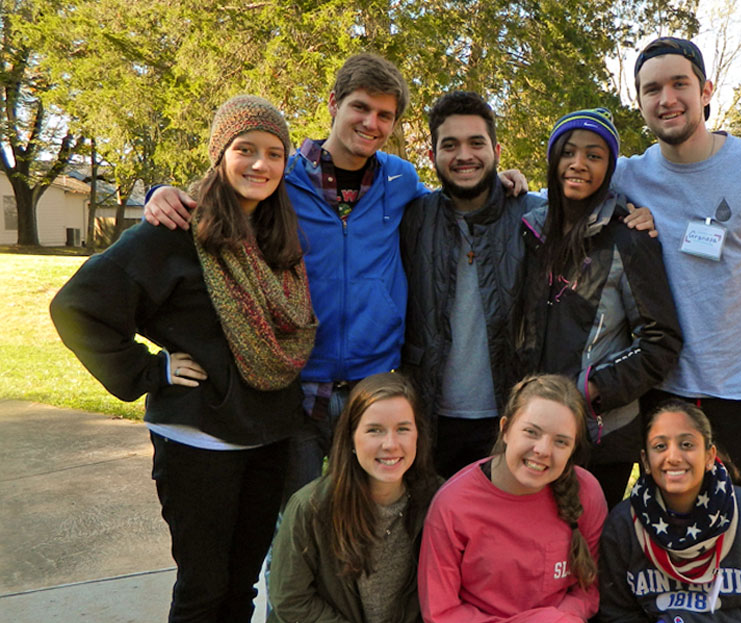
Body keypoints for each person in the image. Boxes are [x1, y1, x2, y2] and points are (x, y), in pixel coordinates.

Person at [145, 57, 529, 499]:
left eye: (385, 115)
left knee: (368, 523)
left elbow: (457, 197)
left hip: (374, 388)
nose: (372, 123)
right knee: (295, 519)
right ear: (333, 104)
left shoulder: (400, 180)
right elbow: (220, 194)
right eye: (360, 108)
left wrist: (497, 182)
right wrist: (164, 193)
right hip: (298, 386)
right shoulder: (282, 177)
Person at [50, 95, 316, 623]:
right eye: (245, 150)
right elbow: (77, 307)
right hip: (198, 442)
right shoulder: (171, 232)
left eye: (274, 153)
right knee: (203, 586)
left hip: (267, 436)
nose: (260, 165)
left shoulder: (276, 239)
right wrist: (152, 371)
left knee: (242, 584)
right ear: (220, 154)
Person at [618, 37, 741, 491]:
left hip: (738, 397)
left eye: (679, 84)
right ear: (641, 101)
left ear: (706, 90)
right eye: (651, 89)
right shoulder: (629, 176)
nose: (666, 99)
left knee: (737, 529)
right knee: (662, 531)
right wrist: (512, 181)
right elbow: (562, 192)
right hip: (658, 389)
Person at [517, 108, 683, 507]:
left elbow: (661, 341)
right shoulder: (529, 231)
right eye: (568, 152)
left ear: (610, 167)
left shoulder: (630, 236)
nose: (578, 164)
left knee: (586, 548)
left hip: (599, 434)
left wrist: (588, 390)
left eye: (594, 155)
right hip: (531, 427)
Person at [401, 91, 544, 478]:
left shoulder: (532, 214)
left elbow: (589, 213)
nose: (464, 155)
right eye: (450, 145)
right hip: (429, 418)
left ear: (496, 150)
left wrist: (633, 213)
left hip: (509, 416)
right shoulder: (411, 217)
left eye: (476, 143)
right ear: (432, 157)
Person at [417, 374, 608, 623]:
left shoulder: (587, 493)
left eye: (560, 441)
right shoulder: (453, 506)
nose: (542, 450)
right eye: (531, 432)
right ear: (505, 429)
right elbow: (442, 614)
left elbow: (589, 589)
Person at [264, 372, 442, 623]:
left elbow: (448, 598)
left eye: (403, 429)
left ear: (418, 435)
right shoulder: (309, 507)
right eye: (374, 430)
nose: (390, 444)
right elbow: (291, 601)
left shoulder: (439, 502)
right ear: (351, 439)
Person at [598, 401, 741, 623]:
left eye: (687, 444)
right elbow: (617, 615)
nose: (673, 457)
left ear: (709, 455)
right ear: (646, 461)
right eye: (660, 446)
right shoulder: (623, 524)